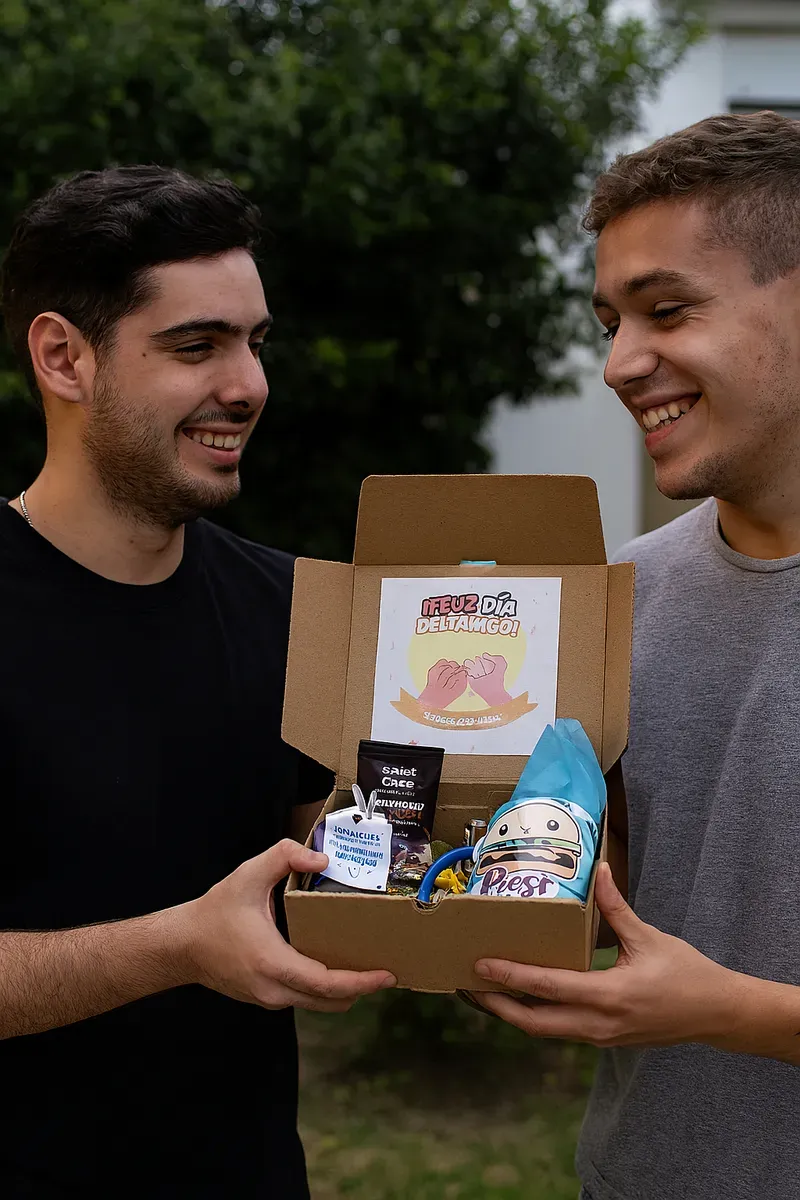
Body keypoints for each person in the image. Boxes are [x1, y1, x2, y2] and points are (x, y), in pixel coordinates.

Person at [0, 166, 395, 1199]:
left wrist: (506, 854)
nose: (248, 385)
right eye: (196, 345)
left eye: (254, 342)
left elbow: (351, 873)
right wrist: (176, 946)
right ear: (63, 357)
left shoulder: (299, 607)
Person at [471, 110, 800, 1199]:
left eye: (665, 311)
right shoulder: (613, 593)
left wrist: (732, 1012)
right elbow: (598, 891)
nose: (618, 363)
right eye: (609, 319)